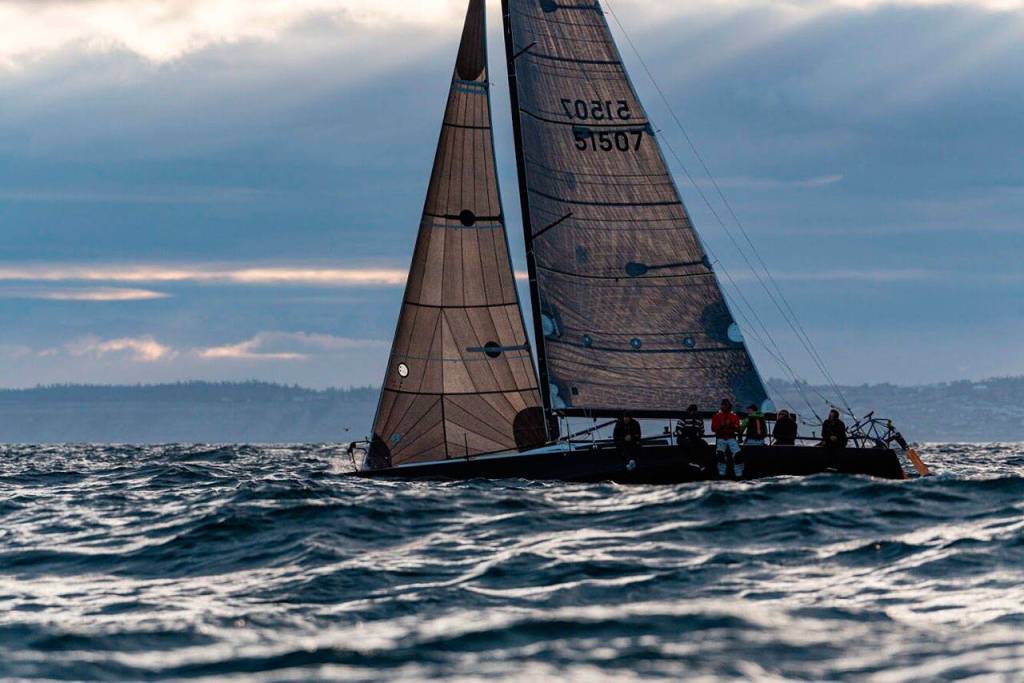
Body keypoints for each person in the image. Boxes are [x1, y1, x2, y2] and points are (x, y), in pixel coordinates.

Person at [711, 399, 742, 478]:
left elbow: (738, 428)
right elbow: (713, 428)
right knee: (720, 455)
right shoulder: (717, 416)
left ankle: (738, 474)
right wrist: (721, 426)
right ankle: (721, 473)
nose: (724, 406)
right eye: (723, 405)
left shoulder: (734, 416)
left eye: (725, 405)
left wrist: (731, 425)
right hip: (721, 438)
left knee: (738, 455)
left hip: (731, 437)